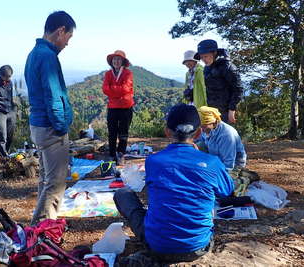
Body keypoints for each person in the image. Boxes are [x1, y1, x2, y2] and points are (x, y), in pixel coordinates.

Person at [114, 104, 234, 264]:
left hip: (157, 246)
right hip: (198, 248)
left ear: (167, 132)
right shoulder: (212, 162)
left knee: (122, 194)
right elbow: (227, 191)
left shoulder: (153, 161)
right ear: (198, 133)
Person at [24, 11, 75, 225]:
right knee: (56, 183)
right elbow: (53, 96)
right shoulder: (47, 56)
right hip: (50, 127)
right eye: (68, 37)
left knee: (46, 180)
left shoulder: (35, 52)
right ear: (60, 31)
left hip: (38, 125)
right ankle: (43, 232)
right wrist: (62, 127)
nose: (67, 43)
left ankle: (38, 226)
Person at [194, 39, 243, 123]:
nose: (203, 60)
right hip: (213, 110)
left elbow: (238, 89)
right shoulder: (207, 67)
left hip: (227, 112)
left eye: (205, 56)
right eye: (201, 57)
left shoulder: (227, 67)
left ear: (214, 53)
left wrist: (232, 110)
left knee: (226, 135)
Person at [102, 50, 134, 164]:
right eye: (114, 59)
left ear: (123, 61)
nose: (116, 61)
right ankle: (112, 154)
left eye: (119, 59)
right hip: (113, 107)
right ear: (111, 61)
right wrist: (118, 91)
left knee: (123, 132)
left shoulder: (128, 73)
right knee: (112, 132)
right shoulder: (108, 74)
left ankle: (121, 154)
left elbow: (126, 88)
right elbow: (105, 89)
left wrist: (113, 91)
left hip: (126, 107)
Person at [197, 106, 247, 171]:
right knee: (198, 145)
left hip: (233, 165)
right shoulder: (206, 129)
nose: (202, 129)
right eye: (200, 126)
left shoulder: (226, 135)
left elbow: (229, 163)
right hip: (216, 159)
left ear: (214, 122)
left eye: (204, 126)